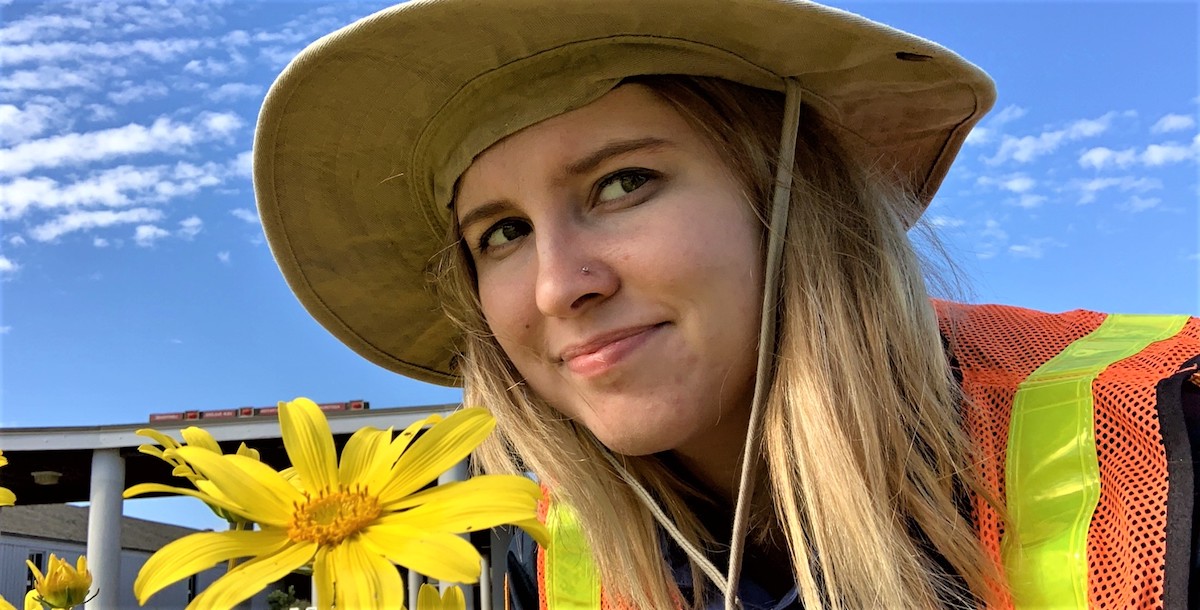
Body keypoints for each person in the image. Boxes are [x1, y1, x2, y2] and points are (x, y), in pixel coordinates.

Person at [252, 1, 1200, 608]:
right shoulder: (533, 548)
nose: (557, 285)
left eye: (622, 184)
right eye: (500, 233)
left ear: (794, 194)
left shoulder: (1167, 423)